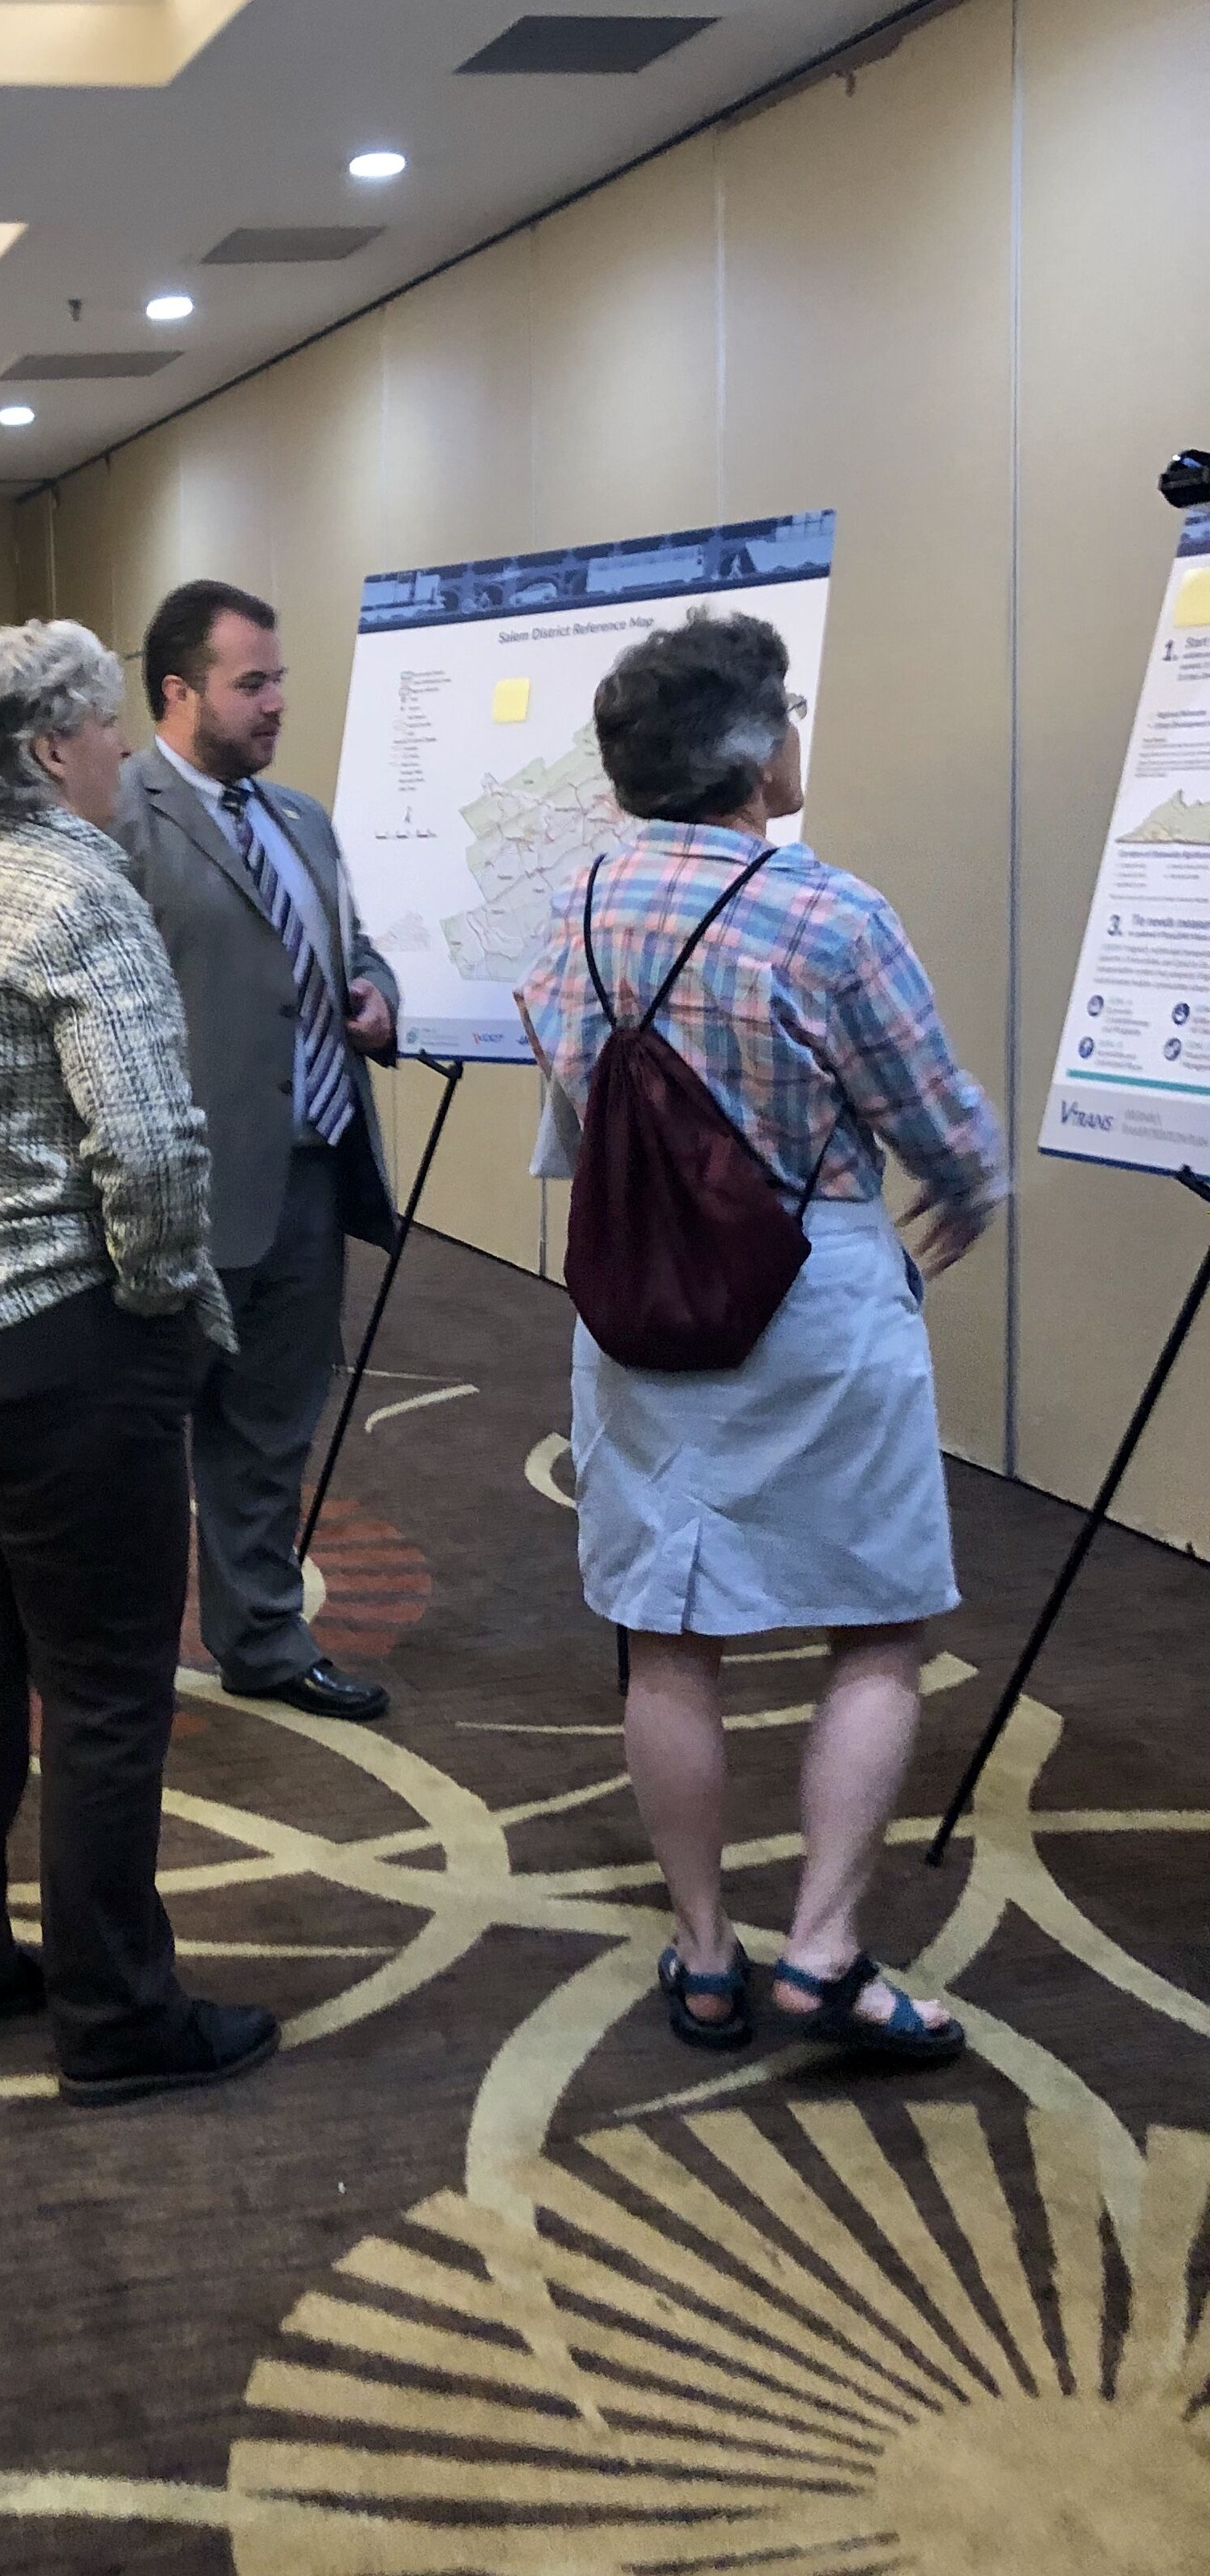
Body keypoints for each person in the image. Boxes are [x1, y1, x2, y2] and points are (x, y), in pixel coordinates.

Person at [514, 609, 1007, 2064]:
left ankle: (704, 1951)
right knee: (876, 1619)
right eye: (787, 713)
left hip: (635, 1300)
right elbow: (939, 1124)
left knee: (665, 1634)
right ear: (750, 755)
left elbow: (571, 1105)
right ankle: (824, 1949)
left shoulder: (577, 906)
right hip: (814, 1300)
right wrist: (970, 1189)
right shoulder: (830, 916)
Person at [0, 617, 279, 2108]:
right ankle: (116, 2015)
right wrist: (159, 1310)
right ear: (47, 749)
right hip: (52, 1344)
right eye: (102, 726)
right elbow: (149, 1146)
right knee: (104, 1686)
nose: (119, 751)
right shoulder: (86, 893)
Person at [112, 579, 401, 1725]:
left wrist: (375, 991)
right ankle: (114, 1660)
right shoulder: (117, 818)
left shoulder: (302, 820)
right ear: (179, 691)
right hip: (177, 1191)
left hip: (310, 1175)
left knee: (271, 1429)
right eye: (252, 683)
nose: (278, 701)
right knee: (139, 1441)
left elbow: (353, 946)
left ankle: (263, 1637)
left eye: (279, 679)